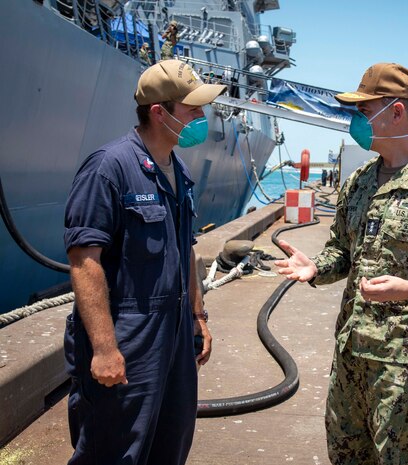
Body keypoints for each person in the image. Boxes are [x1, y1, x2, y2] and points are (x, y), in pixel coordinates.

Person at [275, 63, 408, 465]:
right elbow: (343, 249)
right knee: (344, 455)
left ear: (395, 112)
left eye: (364, 110)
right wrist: (316, 268)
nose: (355, 120)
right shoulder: (358, 181)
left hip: (407, 364)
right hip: (352, 354)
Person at [64, 60, 225, 464]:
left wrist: (197, 315)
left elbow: (185, 247)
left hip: (173, 337)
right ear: (160, 112)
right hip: (129, 336)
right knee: (114, 449)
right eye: (192, 110)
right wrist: (103, 348)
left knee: (171, 443)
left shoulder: (179, 172)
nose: (201, 118)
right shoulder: (109, 168)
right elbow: (85, 260)